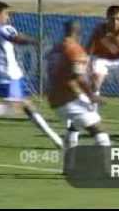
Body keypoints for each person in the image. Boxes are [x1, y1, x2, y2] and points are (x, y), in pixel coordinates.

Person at [0, 1, 63, 149]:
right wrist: (35, 41)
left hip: (0, 75)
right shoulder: (2, 29)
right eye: (6, 14)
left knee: (27, 107)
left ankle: (56, 139)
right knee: (16, 107)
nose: (8, 17)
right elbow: (15, 38)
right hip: (9, 76)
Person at [47, 20, 111, 148]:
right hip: (69, 99)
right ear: (78, 33)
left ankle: (70, 148)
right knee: (100, 133)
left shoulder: (56, 48)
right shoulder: (75, 49)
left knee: (78, 122)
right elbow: (79, 77)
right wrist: (91, 96)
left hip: (55, 97)